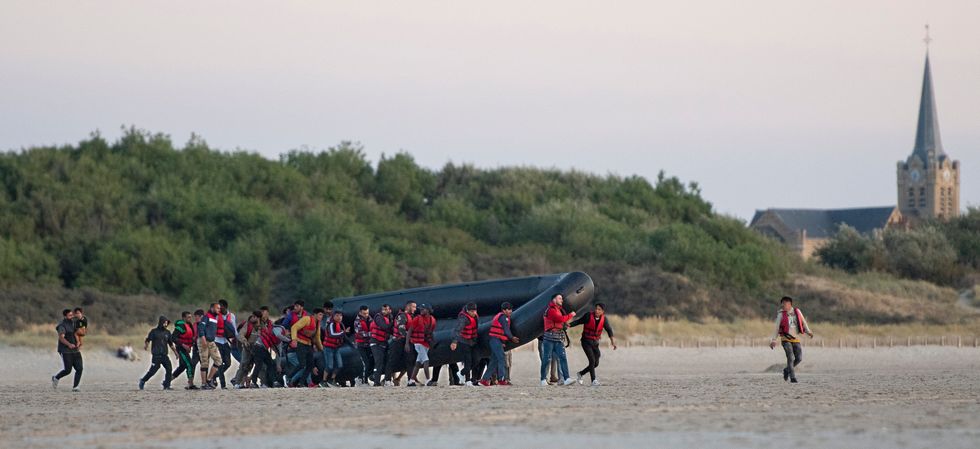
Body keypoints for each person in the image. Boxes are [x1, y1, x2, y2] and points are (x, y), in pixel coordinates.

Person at [769, 296, 814, 383]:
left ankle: (787, 370)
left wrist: (808, 331)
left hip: (796, 338)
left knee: (799, 358)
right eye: (782, 304)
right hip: (786, 339)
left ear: (790, 304)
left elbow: (803, 322)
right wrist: (773, 340)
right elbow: (776, 328)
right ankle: (792, 377)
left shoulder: (797, 311)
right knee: (790, 357)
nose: (783, 306)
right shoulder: (780, 314)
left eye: (785, 304)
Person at [572, 303, 617, 386]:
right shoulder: (588, 316)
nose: (597, 310)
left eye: (599, 309)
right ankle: (594, 381)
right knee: (592, 360)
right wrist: (568, 325)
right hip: (586, 342)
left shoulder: (604, 319)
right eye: (596, 308)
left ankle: (581, 373)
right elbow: (578, 321)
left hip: (595, 343)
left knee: (596, 363)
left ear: (602, 311)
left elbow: (609, 330)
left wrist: (613, 342)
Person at [540, 294, 576, 386]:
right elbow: (558, 318)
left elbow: (559, 321)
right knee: (547, 359)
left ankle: (566, 378)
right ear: (554, 300)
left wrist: (565, 324)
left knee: (563, 358)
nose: (562, 300)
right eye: (560, 298)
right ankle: (543, 379)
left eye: (562, 298)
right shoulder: (551, 310)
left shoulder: (558, 309)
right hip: (549, 339)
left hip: (558, 338)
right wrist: (570, 315)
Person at [481, 302, 519, 386]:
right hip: (495, 340)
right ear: (504, 310)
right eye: (508, 309)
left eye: (511, 309)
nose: (510, 311)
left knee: (494, 361)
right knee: (502, 358)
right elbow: (506, 330)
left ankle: (485, 379)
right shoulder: (503, 318)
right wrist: (512, 338)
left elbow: (501, 332)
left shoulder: (502, 317)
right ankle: (502, 379)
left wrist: (502, 342)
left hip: (496, 341)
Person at [289, 307, 324, 388]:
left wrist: (322, 349)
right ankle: (288, 377)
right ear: (315, 314)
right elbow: (294, 327)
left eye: (322, 315)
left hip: (308, 345)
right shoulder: (307, 319)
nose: (321, 317)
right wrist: (294, 339)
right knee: (302, 364)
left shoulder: (317, 324)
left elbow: (317, 338)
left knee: (310, 365)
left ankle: (301, 383)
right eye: (320, 314)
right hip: (300, 343)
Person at [139, 316, 175, 390]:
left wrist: (176, 353)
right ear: (161, 322)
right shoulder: (154, 331)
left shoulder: (167, 332)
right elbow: (148, 339)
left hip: (164, 355)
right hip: (156, 355)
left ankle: (167, 385)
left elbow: (170, 344)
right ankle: (143, 380)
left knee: (169, 368)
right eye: (165, 322)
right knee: (153, 370)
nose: (166, 324)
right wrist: (146, 345)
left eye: (167, 323)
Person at [52, 309, 83, 391]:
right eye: (70, 315)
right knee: (67, 370)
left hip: (75, 350)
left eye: (72, 315)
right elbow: (61, 338)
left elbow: (77, 334)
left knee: (79, 368)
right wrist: (69, 344)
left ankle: (75, 387)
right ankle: (56, 377)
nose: (72, 316)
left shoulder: (74, 323)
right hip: (65, 350)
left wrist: (79, 342)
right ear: (65, 316)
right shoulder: (62, 325)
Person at [450, 302, 480, 387]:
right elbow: (457, 330)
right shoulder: (463, 318)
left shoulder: (475, 316)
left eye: (475, 311)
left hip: (472, 341)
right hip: (464, 341)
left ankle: (461, 373)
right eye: (472, 311)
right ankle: (467, 381)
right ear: (467, 311)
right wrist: (454, 341)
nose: (474, 313)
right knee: (468, 361)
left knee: (476, 360)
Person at [387, 301, 416, 386]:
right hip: (398, 341)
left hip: (407, 341)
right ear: (408, 307)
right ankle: (387, 380)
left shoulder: (412, 316)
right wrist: (410, 337)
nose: (415, 309)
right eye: (413, 307)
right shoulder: (402, 316)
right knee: (392, 360)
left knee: (410, 360)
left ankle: (410, 381)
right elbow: (401, 330)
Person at [406, 304, 436, 386]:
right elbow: (410, 331)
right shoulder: (417, 319)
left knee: (418, 363)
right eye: (421, 309)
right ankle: (427, 380)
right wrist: (407, 343)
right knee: (426, 360)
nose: (421, 311)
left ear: (428, 310)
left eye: (423, 309)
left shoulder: (432, 320)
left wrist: (433, 342)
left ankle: (411, 381)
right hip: (418, 342)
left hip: (426, 343)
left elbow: (431, 332)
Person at [171, 311, 200, 389]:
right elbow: (173, 338)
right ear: (183, 318)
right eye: (188, 317)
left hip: (187, 348)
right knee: (189, 364)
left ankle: (168, 380)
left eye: (191, 317)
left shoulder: (189, 325)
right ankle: (190, 384)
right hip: (181, 348)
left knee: (182, 366)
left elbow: (191, 338)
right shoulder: (181, 326)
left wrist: (191, 346)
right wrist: (184, 345)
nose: (190, 319)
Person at [233, 311, 262, 388]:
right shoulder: (248, 325)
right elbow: (240, 335)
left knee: (260, 365)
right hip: (248, 347)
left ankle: (261, 382)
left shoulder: (262, 326)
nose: (251, 318)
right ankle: (237, 383)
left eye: (253, 317)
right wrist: (245, 341)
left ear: (257, 318)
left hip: (259, 348)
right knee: (244, 365)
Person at [197, 306, 223, 390]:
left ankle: (208, 379)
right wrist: (203, 339)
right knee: (204, 362)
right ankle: (204, 384)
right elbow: (201, 328)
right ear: (212, 308)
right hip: (204, 340)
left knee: (218, 360)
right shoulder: (206, 317)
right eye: (217, 308)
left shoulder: (215, 318)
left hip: (211, 341)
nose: (219, 310)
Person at [215, 299, 238, 388]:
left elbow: (234, 328)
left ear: (225, 307)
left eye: (220, 307)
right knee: (220, 363)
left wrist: (236, 339)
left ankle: (214, 376)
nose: (219, 309)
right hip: (217, 340)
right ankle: (223, 384)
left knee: (228, 363)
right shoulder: (216, 316)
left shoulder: (231, 316)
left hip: (227, 342)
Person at [369, 304, 394, 386]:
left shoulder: (389, 317)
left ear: (390, 310)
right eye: (383, 309)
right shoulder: (378, 317)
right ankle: (376, 382)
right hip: (375, 343)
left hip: (383, 342)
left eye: (386, 309)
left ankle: (386, 380)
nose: (384, 311)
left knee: (387, 361)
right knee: (378, 362)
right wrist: (392, 323)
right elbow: (384, 327)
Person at [321, 311, 347, 387]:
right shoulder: (331, 324)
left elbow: (343, 335)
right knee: (329, 366)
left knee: (339, 365)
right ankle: (323, 381)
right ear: (333, 316)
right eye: (337, 315)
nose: (339, 317)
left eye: (340, 316)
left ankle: (332, 380)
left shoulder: (341, 325)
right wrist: (343, 332)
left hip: (336, 347)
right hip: (328, 347)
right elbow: (332, 334)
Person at [353, 306, 373, 386]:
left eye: (367, 313)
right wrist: (372, 334)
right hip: (361, 345)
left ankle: (360, 378)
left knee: (371, 362)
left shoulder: (370, 319)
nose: (366, 315)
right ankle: (364, 381)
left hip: (369, 345)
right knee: (366, 363)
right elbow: (360, 334)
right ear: (360, 312)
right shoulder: (357, 321)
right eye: (364, 313)